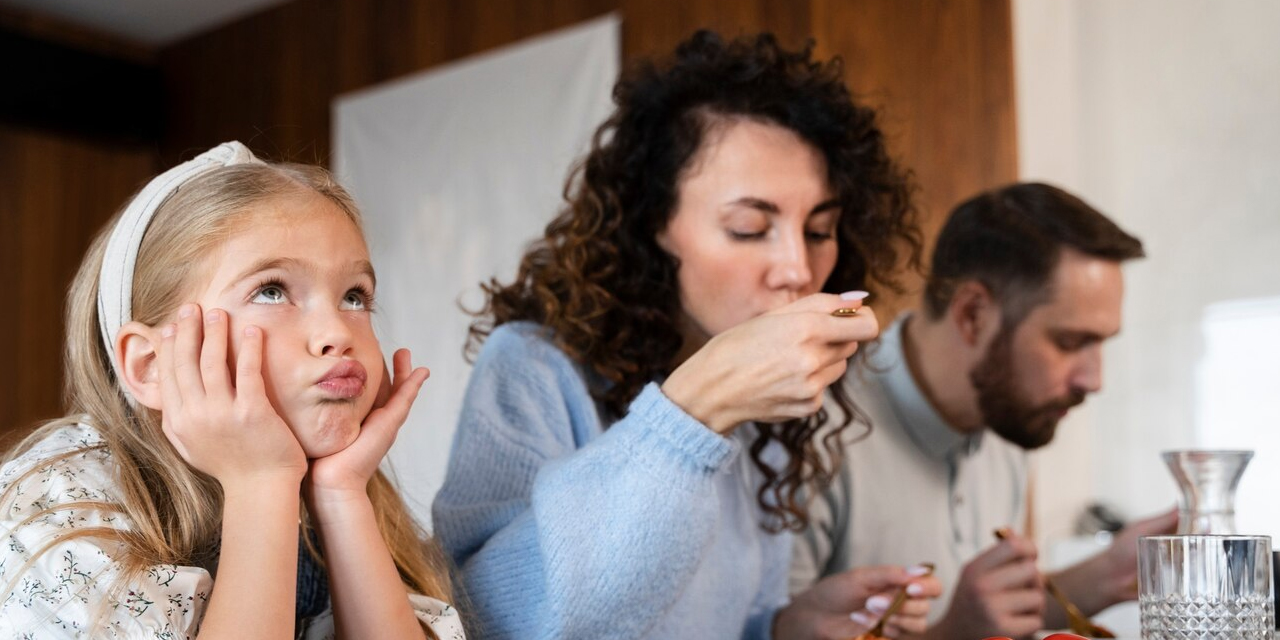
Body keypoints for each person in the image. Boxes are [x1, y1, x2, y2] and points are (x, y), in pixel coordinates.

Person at [431, 31, 940, 640]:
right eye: (750, 228)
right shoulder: (534, 368)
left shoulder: (764, 411)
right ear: (654, 225)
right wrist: (690, 414)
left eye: (820, 229)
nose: (798, 271)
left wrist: (783, 626)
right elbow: (486, 621)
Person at [0, 142, 465, 639]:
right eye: (271, 290)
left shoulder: (339, 492)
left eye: (354, 296)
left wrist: (341, 495)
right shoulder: (56, 511)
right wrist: (260, 484)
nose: (338, 331)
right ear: (151, 364)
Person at [791, 182, 1178, 640]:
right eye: (1070, 342)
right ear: (973, 315)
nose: (1094, 380)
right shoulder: (809, 427)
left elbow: (991, 619)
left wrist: (1109, 573)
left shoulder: (1004, 416)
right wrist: (953, 635)